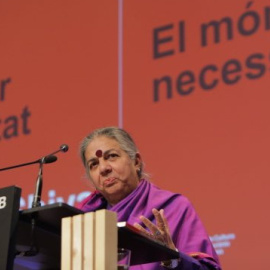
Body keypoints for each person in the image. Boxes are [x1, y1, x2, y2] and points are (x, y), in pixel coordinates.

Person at [78, 127, 222, 270]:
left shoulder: (174, 208)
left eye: (111, 156)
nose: (103, 168)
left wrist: (171, 258)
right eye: (94, 164)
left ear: (136, 162)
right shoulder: (84, 222)